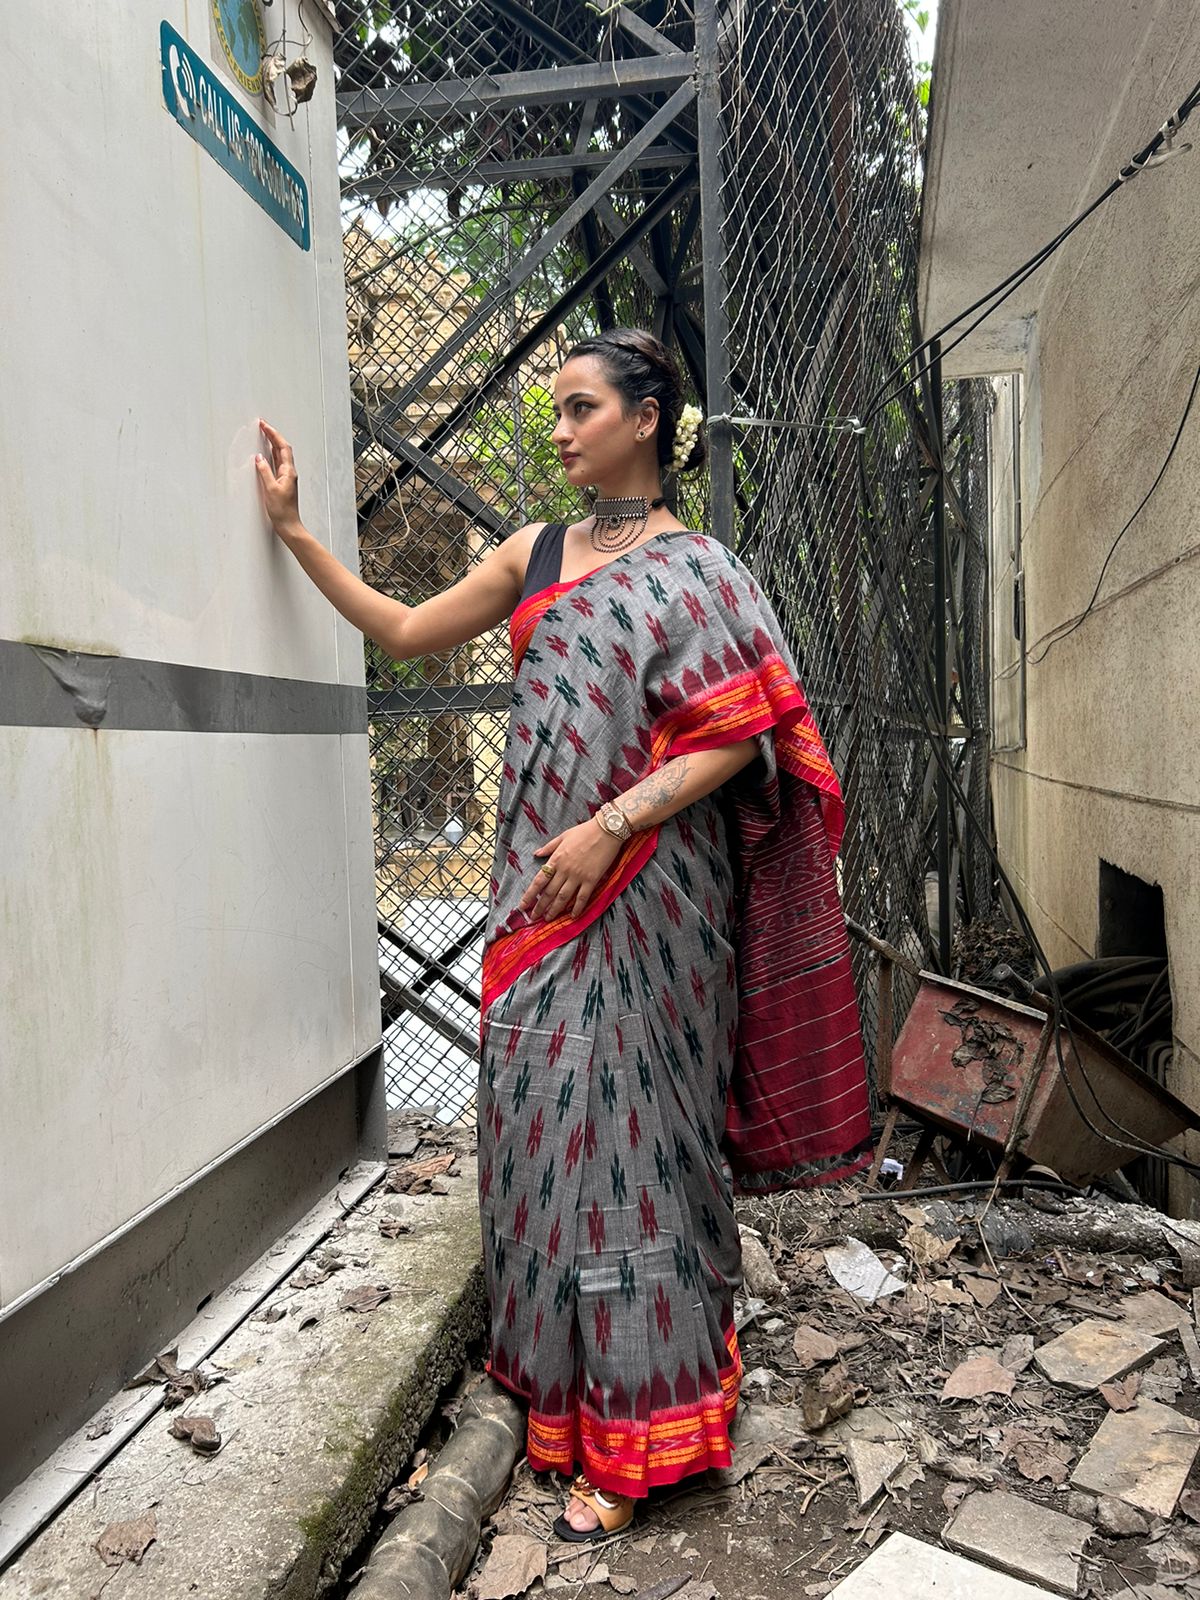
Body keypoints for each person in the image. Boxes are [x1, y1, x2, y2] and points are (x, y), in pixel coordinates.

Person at [256, 327, 871, 1544]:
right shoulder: (532, 554)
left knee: (641, 1149)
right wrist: (292, 534)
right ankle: (564, 1410)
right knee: (541, 1135)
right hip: (535, 907)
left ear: (649, 418)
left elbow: (743, 736)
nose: (560, 430)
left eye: (582, 407)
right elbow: (400, 629)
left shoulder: (704, 572)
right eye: (556, 410)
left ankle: (651, 1426)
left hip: (653, 899)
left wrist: (610, 825)